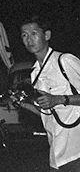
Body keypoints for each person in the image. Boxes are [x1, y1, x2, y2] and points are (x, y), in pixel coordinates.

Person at [16, 16, 80, 170]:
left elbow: (56, 101)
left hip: (76, 150)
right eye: (24, 35)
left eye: (33, 33)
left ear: (47, 35)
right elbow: (47, 114)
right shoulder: (35, 73)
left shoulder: (64, 61)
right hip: (56, 151)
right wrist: (25, 104)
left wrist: (59, 99)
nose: (29, 39)